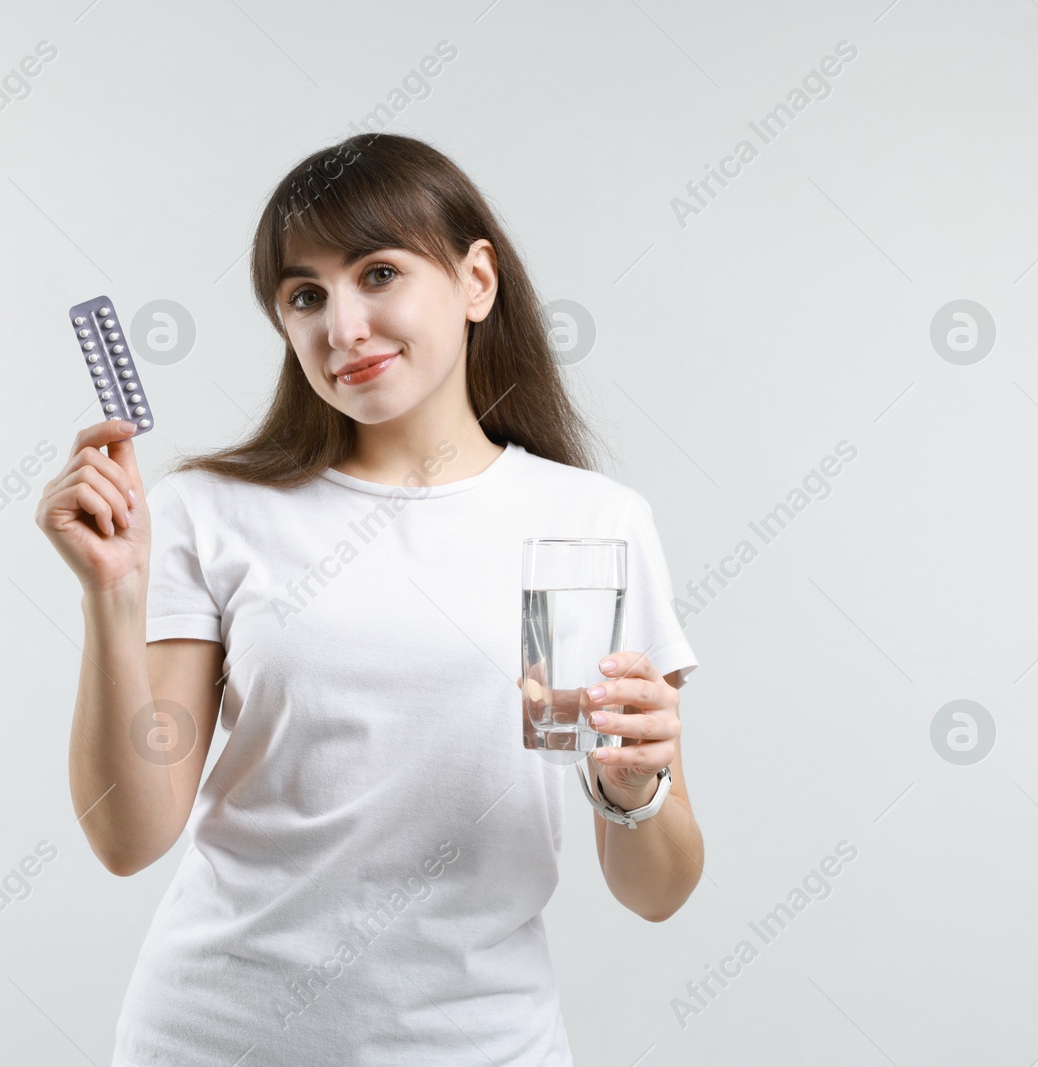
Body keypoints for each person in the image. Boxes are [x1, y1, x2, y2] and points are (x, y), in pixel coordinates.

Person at [35, 133, 702, 1066]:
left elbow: (657, 890)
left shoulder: (595, 523)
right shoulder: (205, 512)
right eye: (304, 295)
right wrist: (112, 597)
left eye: (378, 273)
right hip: (214, 1039)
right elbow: (128, 835)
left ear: (477, 281)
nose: (341, 326)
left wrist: (636, 788)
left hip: (483, 1044)